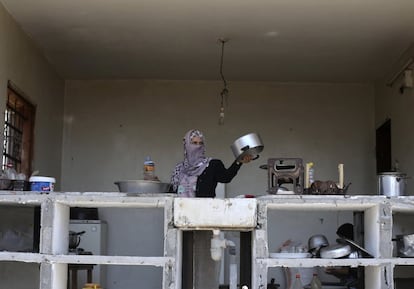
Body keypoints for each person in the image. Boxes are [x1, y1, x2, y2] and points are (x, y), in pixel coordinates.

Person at [171, 129, 252, 198]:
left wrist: (238, 162)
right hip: (181, 213)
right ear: (186, 145)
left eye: (201, 143)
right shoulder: (179, 169)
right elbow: (173, 193)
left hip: (205, 213)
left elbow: (226, 177)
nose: (198, 146)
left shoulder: (212, 165)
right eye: (194, 143)